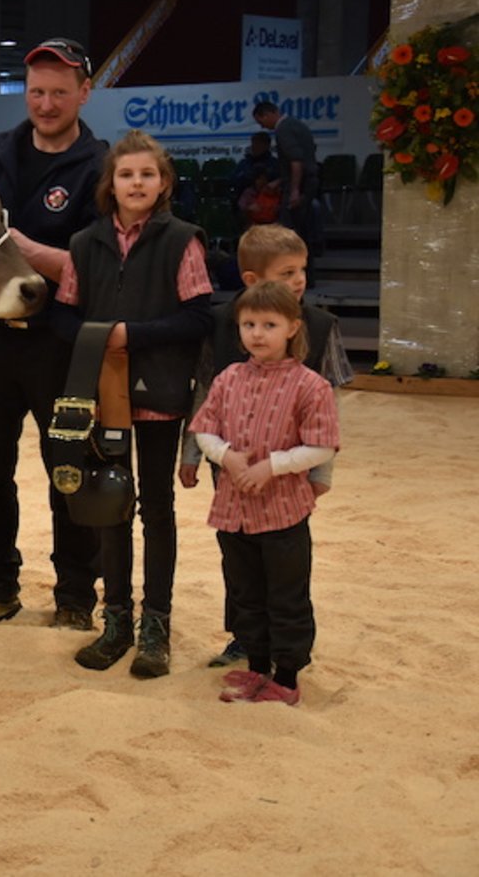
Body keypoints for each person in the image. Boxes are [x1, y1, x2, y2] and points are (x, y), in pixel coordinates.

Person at [0, 37, 107, 629]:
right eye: (37, 91)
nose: (45, 103)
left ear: (84, 93)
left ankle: (74, 598)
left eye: (59, 92)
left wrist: (31, 252)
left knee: (69, 468)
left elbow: (102, 265)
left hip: (60, 340)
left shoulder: (101, 167)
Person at [55, 129, 214, 677]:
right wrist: (96, 340)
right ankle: (115, 620)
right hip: (102, 398)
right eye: (127, 174)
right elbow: (62, 313)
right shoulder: (84, 244)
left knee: (157, 508)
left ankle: (157, 627)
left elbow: (199, 316)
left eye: (148, 174)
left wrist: (132, 335)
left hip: (161, 394)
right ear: (111, 183)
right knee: (109, 504)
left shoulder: (182, 239)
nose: (137, 182)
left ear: (164, 182)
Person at [179, 223, 352, 667]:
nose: (298, 281)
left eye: (302, 271)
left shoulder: (320, 323)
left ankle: (287, 652)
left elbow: (328, 402)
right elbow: (204, 392)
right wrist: (194, 453)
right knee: (238, 559)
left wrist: (320, 474)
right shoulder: (220, 323)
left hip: (289, 472)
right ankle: (245, 638)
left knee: (284, 563)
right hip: (230, 462)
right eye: (287, 273)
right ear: (253, 280)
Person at [190, 281, 340, 706]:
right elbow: (204, 429)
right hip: (232, 509)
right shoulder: (227, 378)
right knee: (244, 591)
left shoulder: (311, 385)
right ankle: (256, 668)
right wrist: (227, 458)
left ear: (292, 327)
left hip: (283, 513)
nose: (257, 333)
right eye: (249, 324)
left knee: (287, 595)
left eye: (269, 324)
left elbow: (323, 445)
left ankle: (287, 678)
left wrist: (272, 466)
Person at [252, 102, 322, 272]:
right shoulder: (298, 125)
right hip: (307, 181)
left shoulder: (283, 129)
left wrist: (294, 190)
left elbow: (296, 161)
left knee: (292, 233)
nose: (262, 126)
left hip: (301, 184)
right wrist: (280, 181)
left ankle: (294, 273)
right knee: (302, 231)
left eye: (261, 122)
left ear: (266, 115)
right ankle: (305, 274)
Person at [229, 131, 280, 198]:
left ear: (267, 145)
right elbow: (233, 180)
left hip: (268, 200)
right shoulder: (244, 163)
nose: (254, 147)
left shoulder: (274, 164)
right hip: (245, 200)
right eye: (253, 143)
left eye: (258, 144)